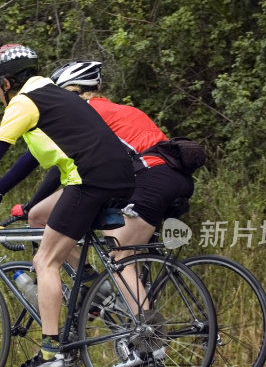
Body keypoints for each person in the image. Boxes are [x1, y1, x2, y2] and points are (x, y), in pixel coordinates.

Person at [0, 45, 134, 367]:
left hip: (90, 179)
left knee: (45, 261)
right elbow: (30, 160)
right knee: (39, 214)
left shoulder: (24, 102)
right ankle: (95, 285)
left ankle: (51, 350)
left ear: (5, 83)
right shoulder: (52, 94)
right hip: (115, 174)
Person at [16, 60, 195, 328]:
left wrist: (29, 206)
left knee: (121, 258)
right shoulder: (120, 109)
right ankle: (93, 284)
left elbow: (60, 165)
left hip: (147, 177)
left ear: (73, 92)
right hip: (173, 177)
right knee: (44, 216)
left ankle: (150, 339)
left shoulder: (82, 114)